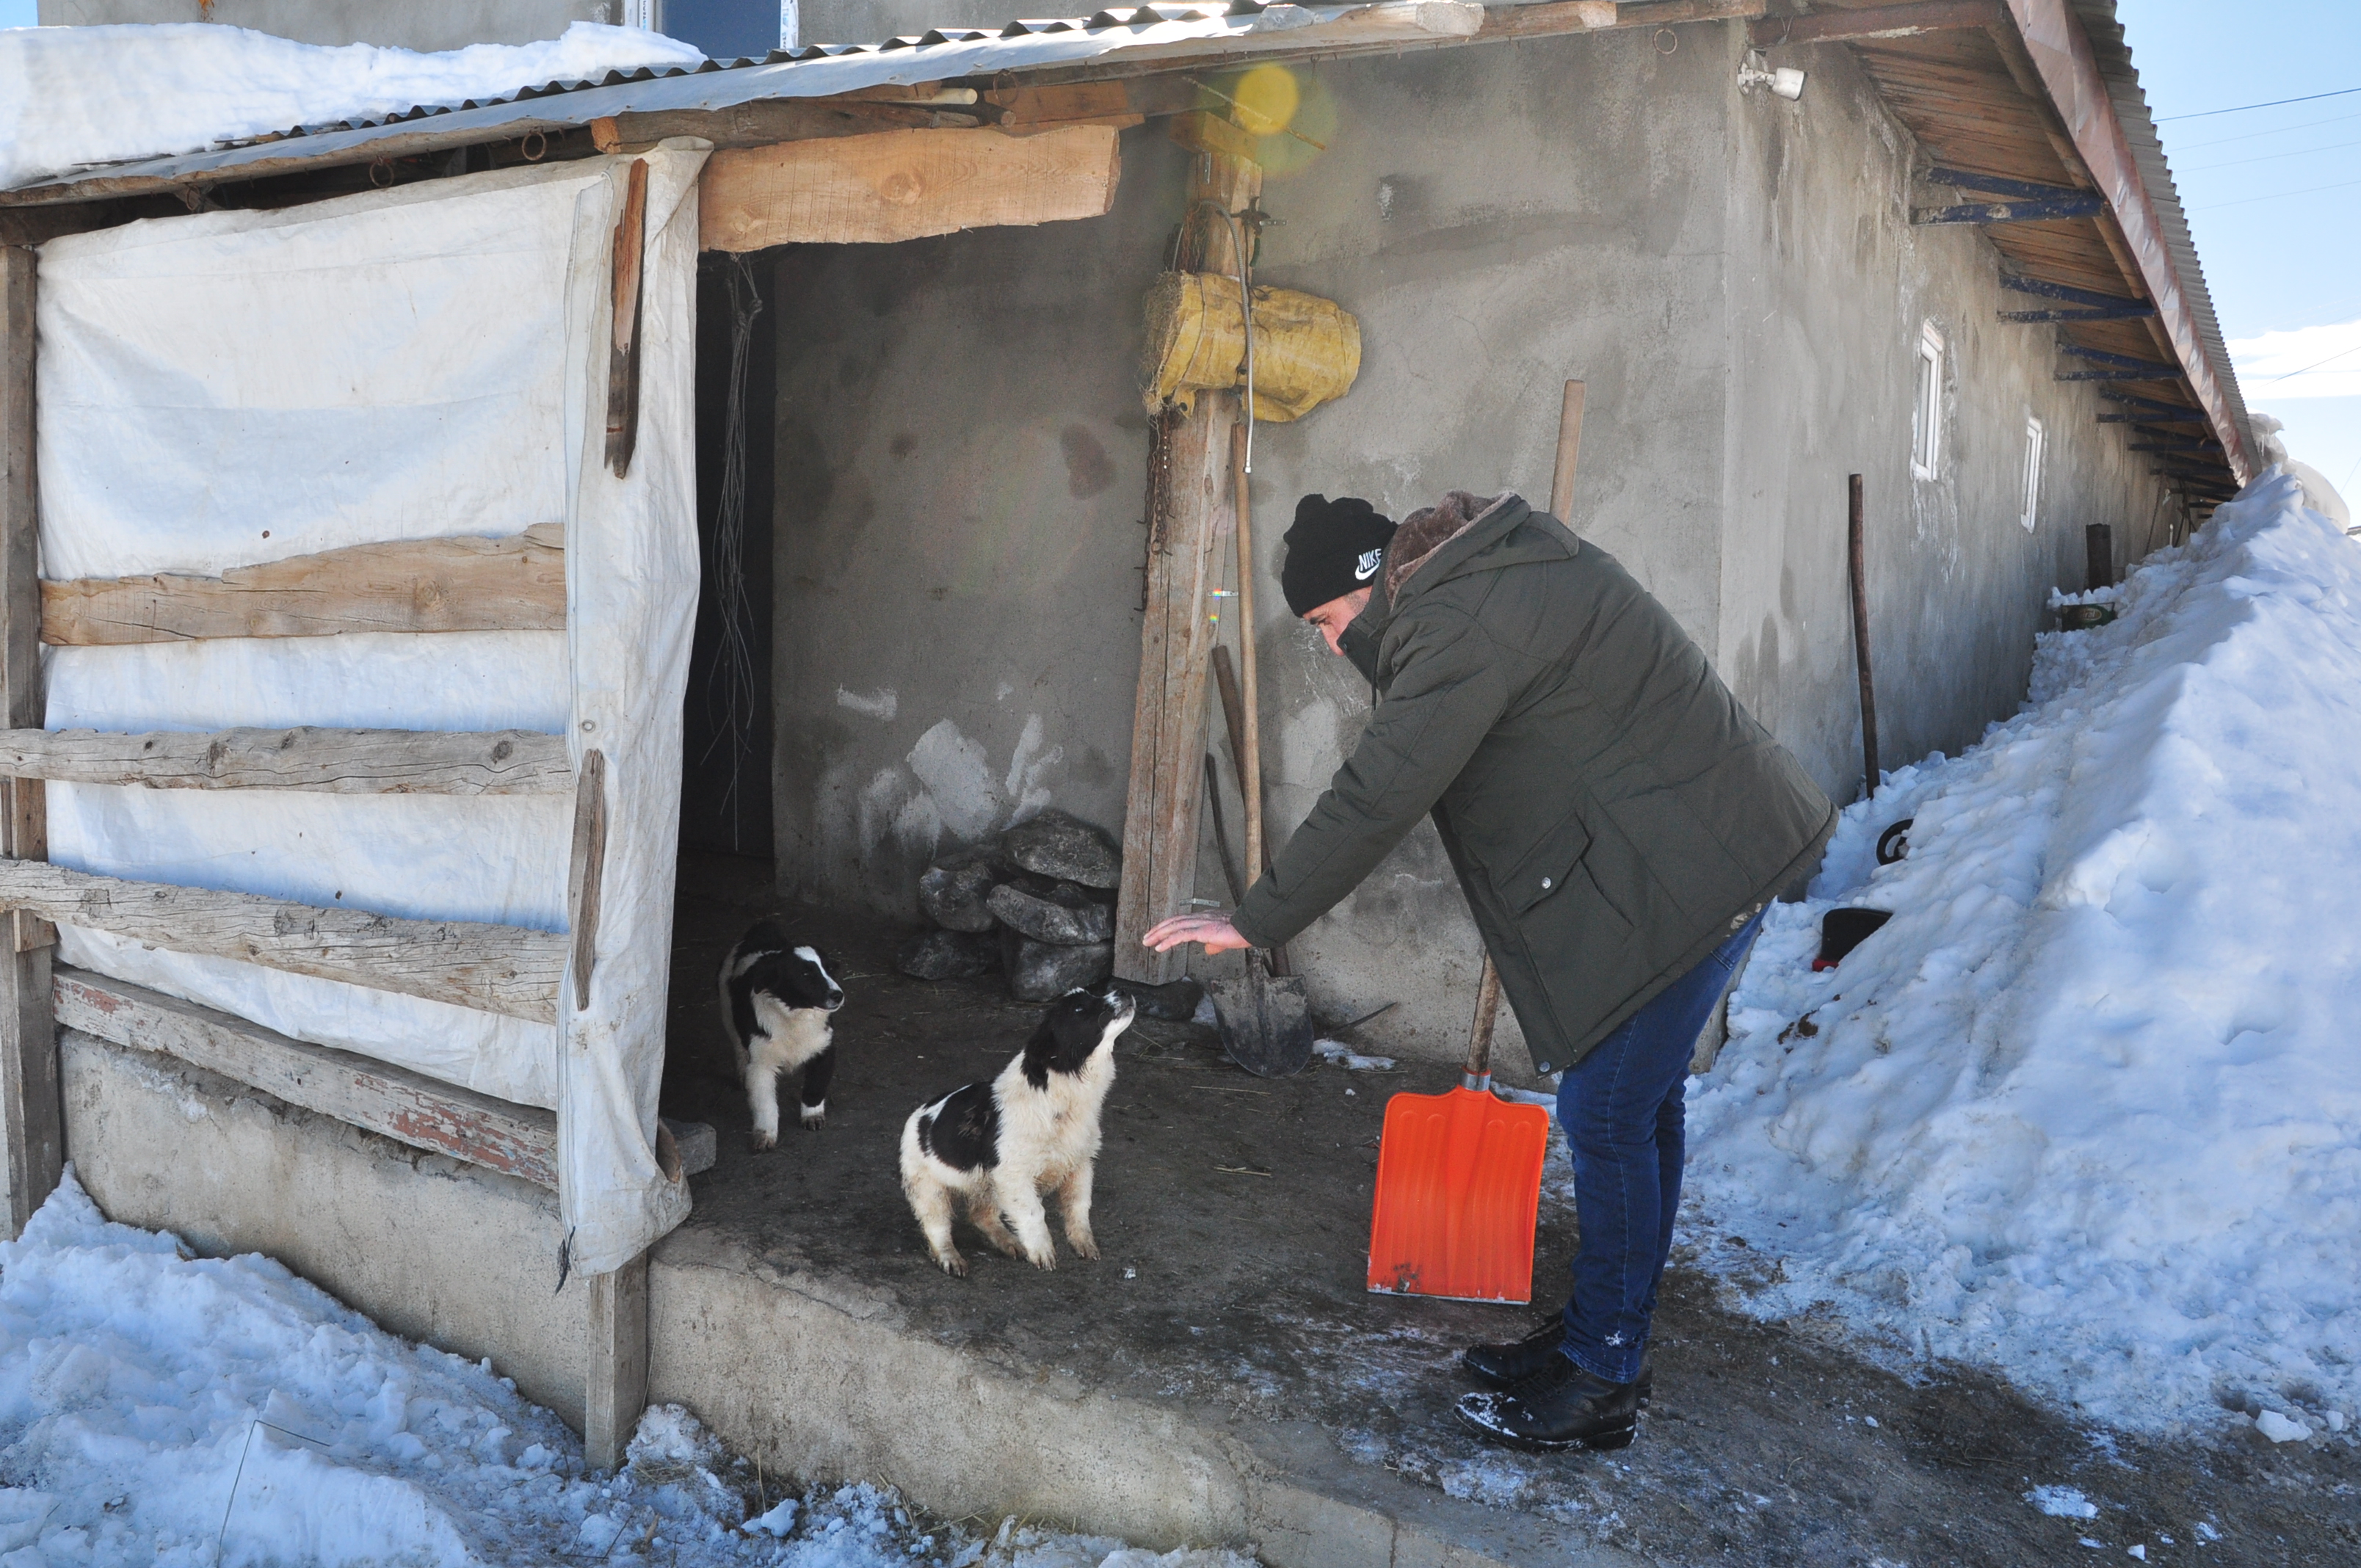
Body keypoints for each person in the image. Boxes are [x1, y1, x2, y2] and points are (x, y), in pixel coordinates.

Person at [1144, 490, 1836, 1453]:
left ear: (1365, 586)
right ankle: (1601, 1334)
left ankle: (1603, 1373)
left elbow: (1377, 795)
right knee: (1636, 1104)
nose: (1334, 647)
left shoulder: (1453, 622)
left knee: (1605, 1112)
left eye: (1328, 624)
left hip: (1702, 862)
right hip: (1700, 851)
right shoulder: (1475, 591)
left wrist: (1253, 919)